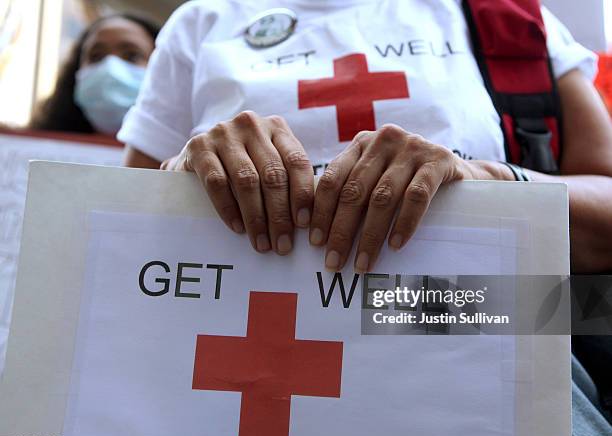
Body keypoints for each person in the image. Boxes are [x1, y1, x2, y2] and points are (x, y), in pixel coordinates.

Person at [120, 1, 612, 277]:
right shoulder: (202, 23)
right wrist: (182, 175)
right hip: (240, 331)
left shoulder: (505, 20)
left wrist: (486, 177)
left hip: (466, 321)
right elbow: (114, 237)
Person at [29, 14, 159, 136]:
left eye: (132, 56)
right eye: (96, 56)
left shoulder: (177, 155)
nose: (110, 68)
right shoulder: (36, 145)